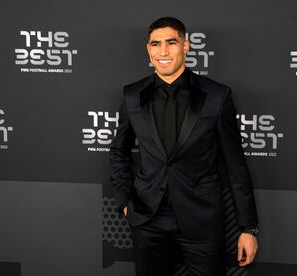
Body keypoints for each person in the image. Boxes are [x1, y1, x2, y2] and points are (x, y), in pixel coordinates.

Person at [110, 16, 258, 276]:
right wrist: (124, 201)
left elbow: (235, 165)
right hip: (147, 219)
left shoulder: (217, 96)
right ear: (148, 49)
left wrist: (248, 228)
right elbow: (119, 152)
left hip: (202, 220)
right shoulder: (131, 95)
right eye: (155, 44)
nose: (163, 51)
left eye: (171, 42)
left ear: (186, 46)